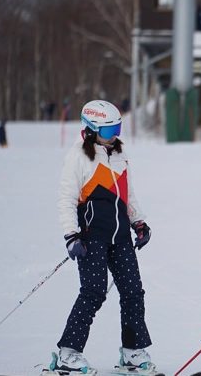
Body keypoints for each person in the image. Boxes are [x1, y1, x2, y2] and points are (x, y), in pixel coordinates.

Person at [53, 100, 156, 373]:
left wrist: (138, 222)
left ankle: (133, 353)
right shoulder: (79, 157)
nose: (114, 137)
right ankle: (68, 355)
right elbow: (66, 199)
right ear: (90, 130)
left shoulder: (120, 155)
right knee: (94, 292)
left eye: (117, 130)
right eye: (109, 131)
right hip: (92, 238)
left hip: (120, 237)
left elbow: (128, 195)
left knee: (133, 292)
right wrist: (71, 236)